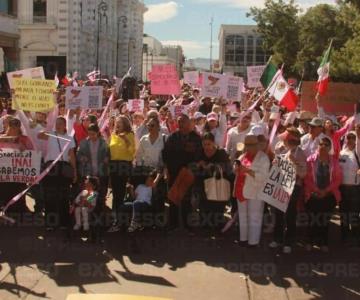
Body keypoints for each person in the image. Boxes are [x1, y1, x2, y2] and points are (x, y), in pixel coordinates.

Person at [162, 113, 203, 231]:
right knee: (173, 198)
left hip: (188, 174)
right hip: (173, 173)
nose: (180, 124)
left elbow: (199, 155)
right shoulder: (173, 137)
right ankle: (173, 223)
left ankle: (187, 225)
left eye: (183, 121)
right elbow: (165, 154)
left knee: (186, 200)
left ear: (189, 123)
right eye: (178, 121)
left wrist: (192, 169)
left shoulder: (196, 138)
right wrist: (167, 169)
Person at [269, 127, 307, 254]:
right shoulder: (280, 149)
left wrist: (294, 162)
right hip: (279, 185)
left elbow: (302, 174)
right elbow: (275, 167)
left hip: (294, 187)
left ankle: (289, 242)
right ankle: (277, 238)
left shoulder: (300, 154)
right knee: (278, 213)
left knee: (290, 215)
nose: (283, 140)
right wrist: (275, 163)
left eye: (286, 138)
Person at [304, 136, 342, 252]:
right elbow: (306, 178)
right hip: (312, 195)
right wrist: (316, 189)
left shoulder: (334, 162)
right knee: (312, 219)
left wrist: (325, 191)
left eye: (326, 145)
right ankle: (310, 241)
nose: (323, 146)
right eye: (321, 144)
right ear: (317, 146)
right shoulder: (310, 160)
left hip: (328, 196)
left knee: (324, 220)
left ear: (330, 147)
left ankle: (323, 242)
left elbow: (338, 179)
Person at [38, 116, 77, 230]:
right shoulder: (51, 134)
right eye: (57, 123)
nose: (58, 125)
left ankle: (63, 223)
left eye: (60, 123)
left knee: (63, 196)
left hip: (64, 168)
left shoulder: (70, 138)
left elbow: (72, 156)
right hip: (51, 167)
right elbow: (39, 135)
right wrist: (46, 125)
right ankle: (50, 223)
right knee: (50, 196)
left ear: (65, 125)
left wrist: (75, 172)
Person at [234, 134, 270, 246]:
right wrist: (235, 167)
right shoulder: (242, 156)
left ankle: (253, 242)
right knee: (243, 216)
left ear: (257, 145)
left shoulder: (263, 158)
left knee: (254, 217)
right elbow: (236, 170)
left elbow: (263, 177)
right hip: (241, 190)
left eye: (251, 145)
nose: (248, 147)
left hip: (256, 192)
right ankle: (243, 239)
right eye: (247, 145)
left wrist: (248, 171)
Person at [197, 132, 232, 229]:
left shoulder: (221, 153)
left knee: (217, 207)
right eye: (204, 144)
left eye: (208, 144)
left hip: (218, 185)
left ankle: (217, 228)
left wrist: (213, 166)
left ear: (213, 143)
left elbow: (228, 168)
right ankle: (205, 228)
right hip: (204, 185)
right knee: (204, 206)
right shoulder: (200, 153)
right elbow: (194, 168)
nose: (206, 147)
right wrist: (199, 165)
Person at [108, 115, 135, 232]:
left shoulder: (130, 135)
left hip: (124, 166)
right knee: (115, 194)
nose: (117, 125)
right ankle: (116, 220)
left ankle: (122, 221)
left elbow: (132, 151)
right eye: (116, 123)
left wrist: (126, 139)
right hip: (114, 166)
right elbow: (110, 151)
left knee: (121, 193)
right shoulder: (113, 135)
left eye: (120, 123)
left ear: (125, 124)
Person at [0, 117, 34, 213]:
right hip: (5, 174)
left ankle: (19, 212)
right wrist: (7, 139)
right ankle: (7, 211)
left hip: (19, 174)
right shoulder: (2, 137)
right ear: (9, 127)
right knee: (5, 192)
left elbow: (32, 153)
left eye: (17, 127)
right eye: (13, 127)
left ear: (19, 128)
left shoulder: (24, 139)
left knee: (18, 192)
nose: (15, 129)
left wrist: (24, 148)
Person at [77, 123, 110, 204]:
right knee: (90, 194)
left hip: (101, 172)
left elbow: (108, 154)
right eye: (89, 134)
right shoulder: (84, 143)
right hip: (89, 173)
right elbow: (78, 154)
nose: (91, 136)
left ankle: (100, 209)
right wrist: (82, 158)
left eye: (93, 134)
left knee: (101, 193)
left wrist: (107, 158)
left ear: (98, 132)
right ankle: (91, 210)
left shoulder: (103, 143)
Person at [339, 131, 360, 245]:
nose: (350, 139)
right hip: (343, 188)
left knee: (354, 213)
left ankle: (356, 236)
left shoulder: (358, 153)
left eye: (353, 137)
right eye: (348, 137)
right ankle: (344, 236)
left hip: (355, 189)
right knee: (344, 213)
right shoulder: (342, 153)